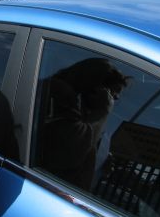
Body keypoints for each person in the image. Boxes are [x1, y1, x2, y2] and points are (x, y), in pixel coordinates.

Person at [40, 58, 131, 192]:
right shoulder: (58, 91)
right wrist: (102, 111)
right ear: (96, 84)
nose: (115, 97)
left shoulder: (81, 110)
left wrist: (97, 164)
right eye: (115, 89)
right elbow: (73, 152)